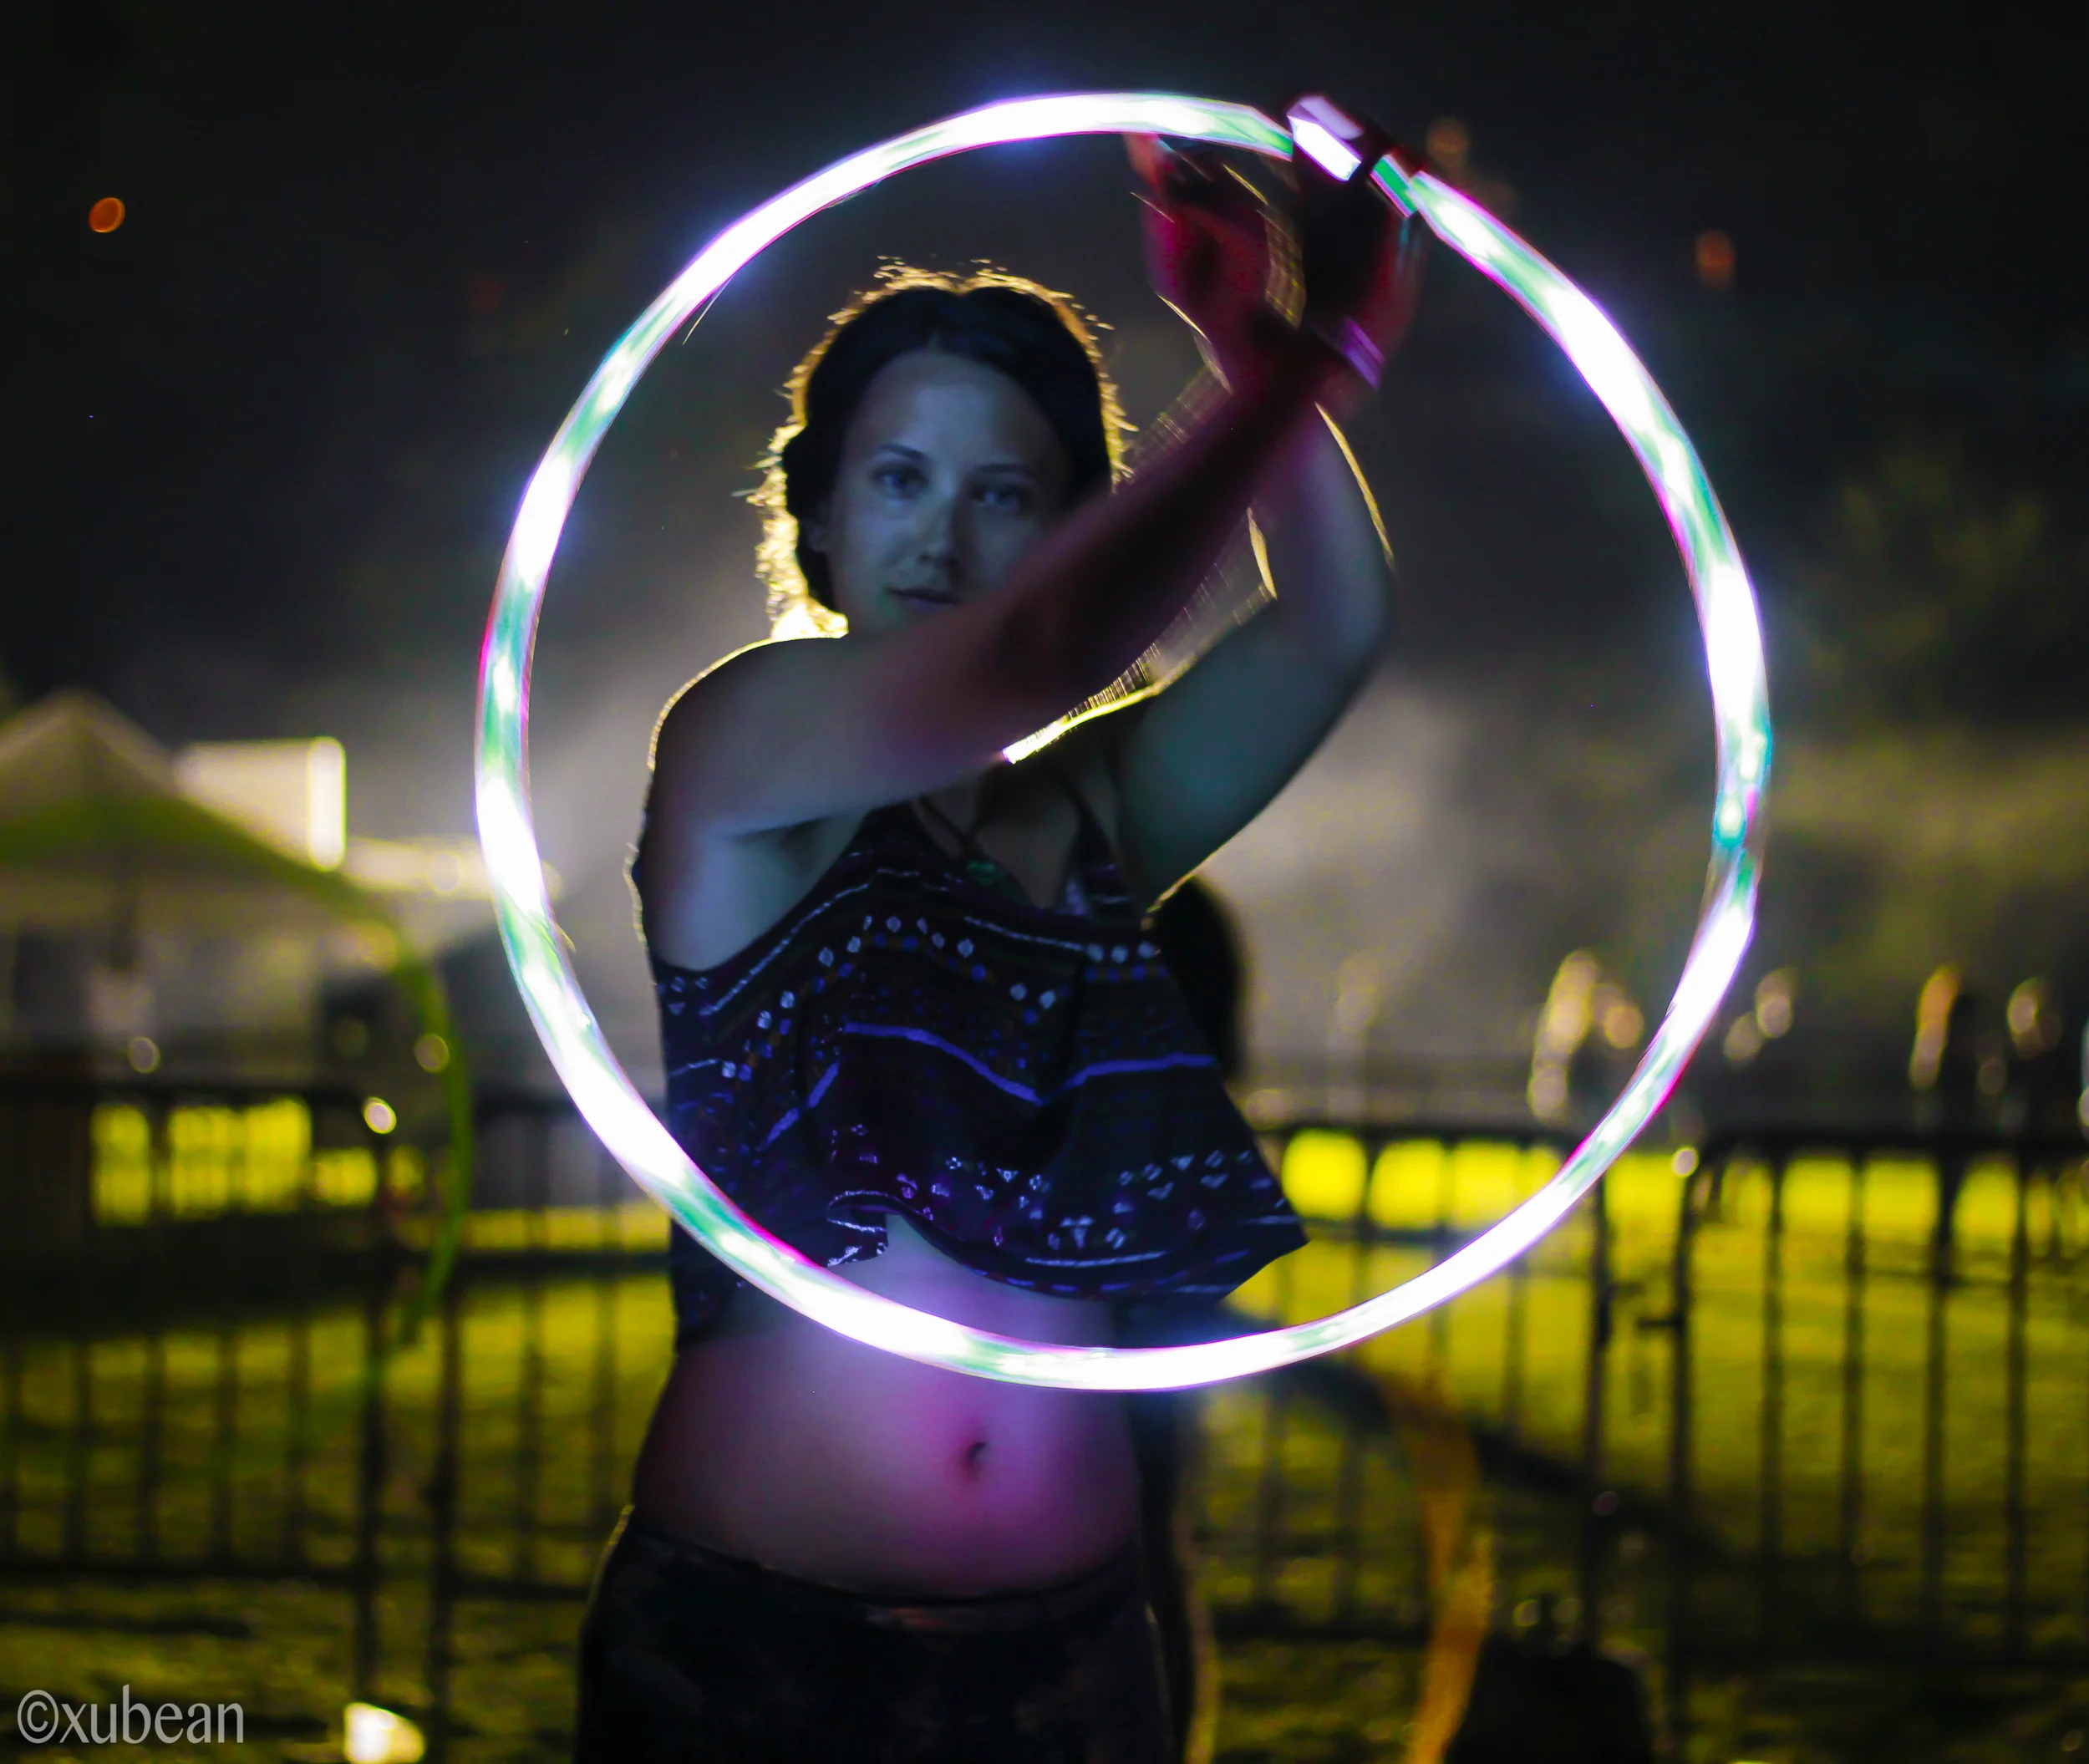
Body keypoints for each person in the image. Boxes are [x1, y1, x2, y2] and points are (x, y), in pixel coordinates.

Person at [575, 116, 1427, 1763]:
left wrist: (1252, 345)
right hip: (760, 1655)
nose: (942, 540)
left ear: (1071, 528)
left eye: (1004, 496)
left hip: (1070, 1657)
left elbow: (1336, 626)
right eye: (897, 480)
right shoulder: (742, 750)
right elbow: (1035, 648)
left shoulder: (1086, 817)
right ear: (820, 516)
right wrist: (1321, 352)